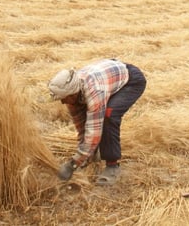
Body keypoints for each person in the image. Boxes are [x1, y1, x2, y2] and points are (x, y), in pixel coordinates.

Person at [48, 58, 146, 186]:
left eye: (64, 98)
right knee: (91, 124)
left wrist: (73, 164)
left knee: (108, 115)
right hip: (109, 76)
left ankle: (112, 166)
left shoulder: (95, 91)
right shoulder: (73, 92)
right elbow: (82, 126)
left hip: (131, 81)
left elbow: (94, 131)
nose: (62, 102)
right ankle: (92, 156)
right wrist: (83, 156)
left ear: (72, 94)